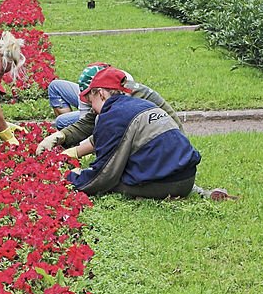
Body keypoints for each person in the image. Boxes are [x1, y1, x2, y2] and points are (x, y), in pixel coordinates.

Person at [64, 67, 201, 199]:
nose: (92, 108)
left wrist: (73, 177)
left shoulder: (112, 116)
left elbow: (104, 175)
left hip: (167, 185)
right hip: (188, 178)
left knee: (114, 182)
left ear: (101, 93)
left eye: (91, 101)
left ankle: (152, 193)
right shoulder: (142, 104)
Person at [39, 64, 184, 153]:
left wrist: (76, 152)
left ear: (100, 92)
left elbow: (110, 135)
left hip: (166, 146)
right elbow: (88, 121)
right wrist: (61, 136)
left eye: (90, 98)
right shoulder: (116, 91)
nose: (89, 103)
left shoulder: (130, 101)